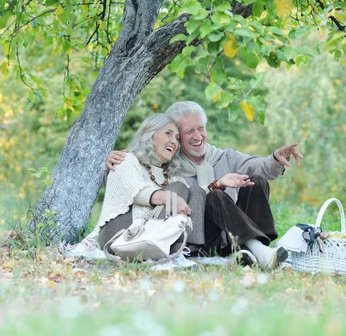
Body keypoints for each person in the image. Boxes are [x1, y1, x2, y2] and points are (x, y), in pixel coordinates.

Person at [107, 101, 303, 269]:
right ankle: (259, 252)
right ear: (177, 135)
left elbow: (260, 167)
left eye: (200, 128)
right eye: (189, 131)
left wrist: (276, 158)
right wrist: (112, 161)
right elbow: (134, 172)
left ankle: (257, 248)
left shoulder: (224, 157)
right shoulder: (169, 165)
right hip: (205, 239)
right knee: (214, 196)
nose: (198, 136)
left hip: (238, 237)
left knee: (257, 181)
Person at [83, 113, 206, 256]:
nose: (174, 142)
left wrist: (217, 184)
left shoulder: (171, 177)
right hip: (119, 234)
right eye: (168, 134)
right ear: (150, 135)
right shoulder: (126, 159)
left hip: (149, 234)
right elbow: (135, 192)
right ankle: (170, 250)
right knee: (178, 189)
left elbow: (192, 197)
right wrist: (170, 198)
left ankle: (188, 251)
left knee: (196, 191)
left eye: (177, 138)